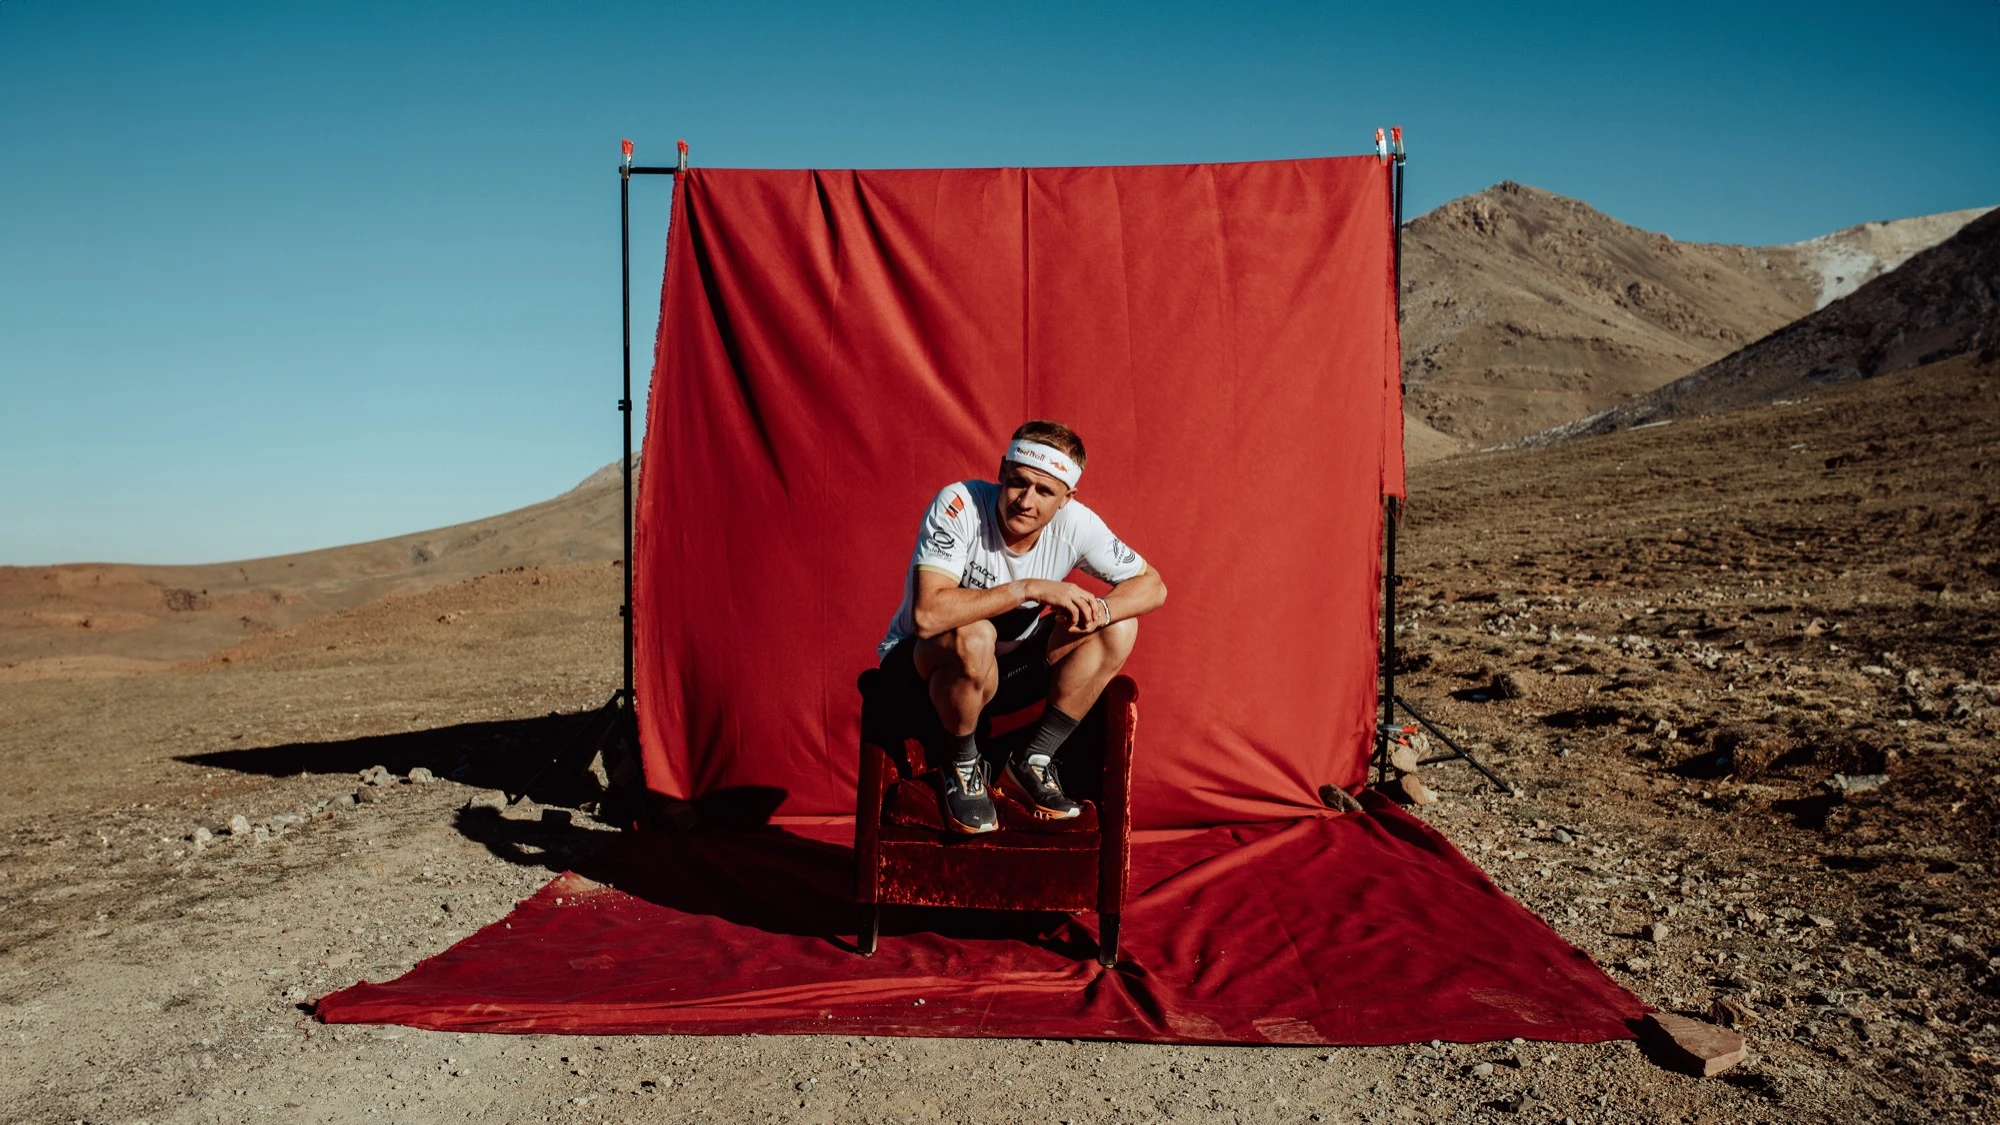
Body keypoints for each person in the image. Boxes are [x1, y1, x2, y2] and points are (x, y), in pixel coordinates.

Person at [878, 420, 1168, 833]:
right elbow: (927, 615)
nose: (1025, 501)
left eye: (1044, 491)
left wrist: (1099, 612)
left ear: (1066, 499)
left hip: (1003, 672)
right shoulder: (960, 504)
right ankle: (962, 765)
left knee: (1119, 627)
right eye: (1018, 482)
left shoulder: (1077, 525)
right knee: (976, 634)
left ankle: (1032, 761)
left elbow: (1153, 586)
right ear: (1002, 471)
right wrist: (1028, 588)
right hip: (920, 671)